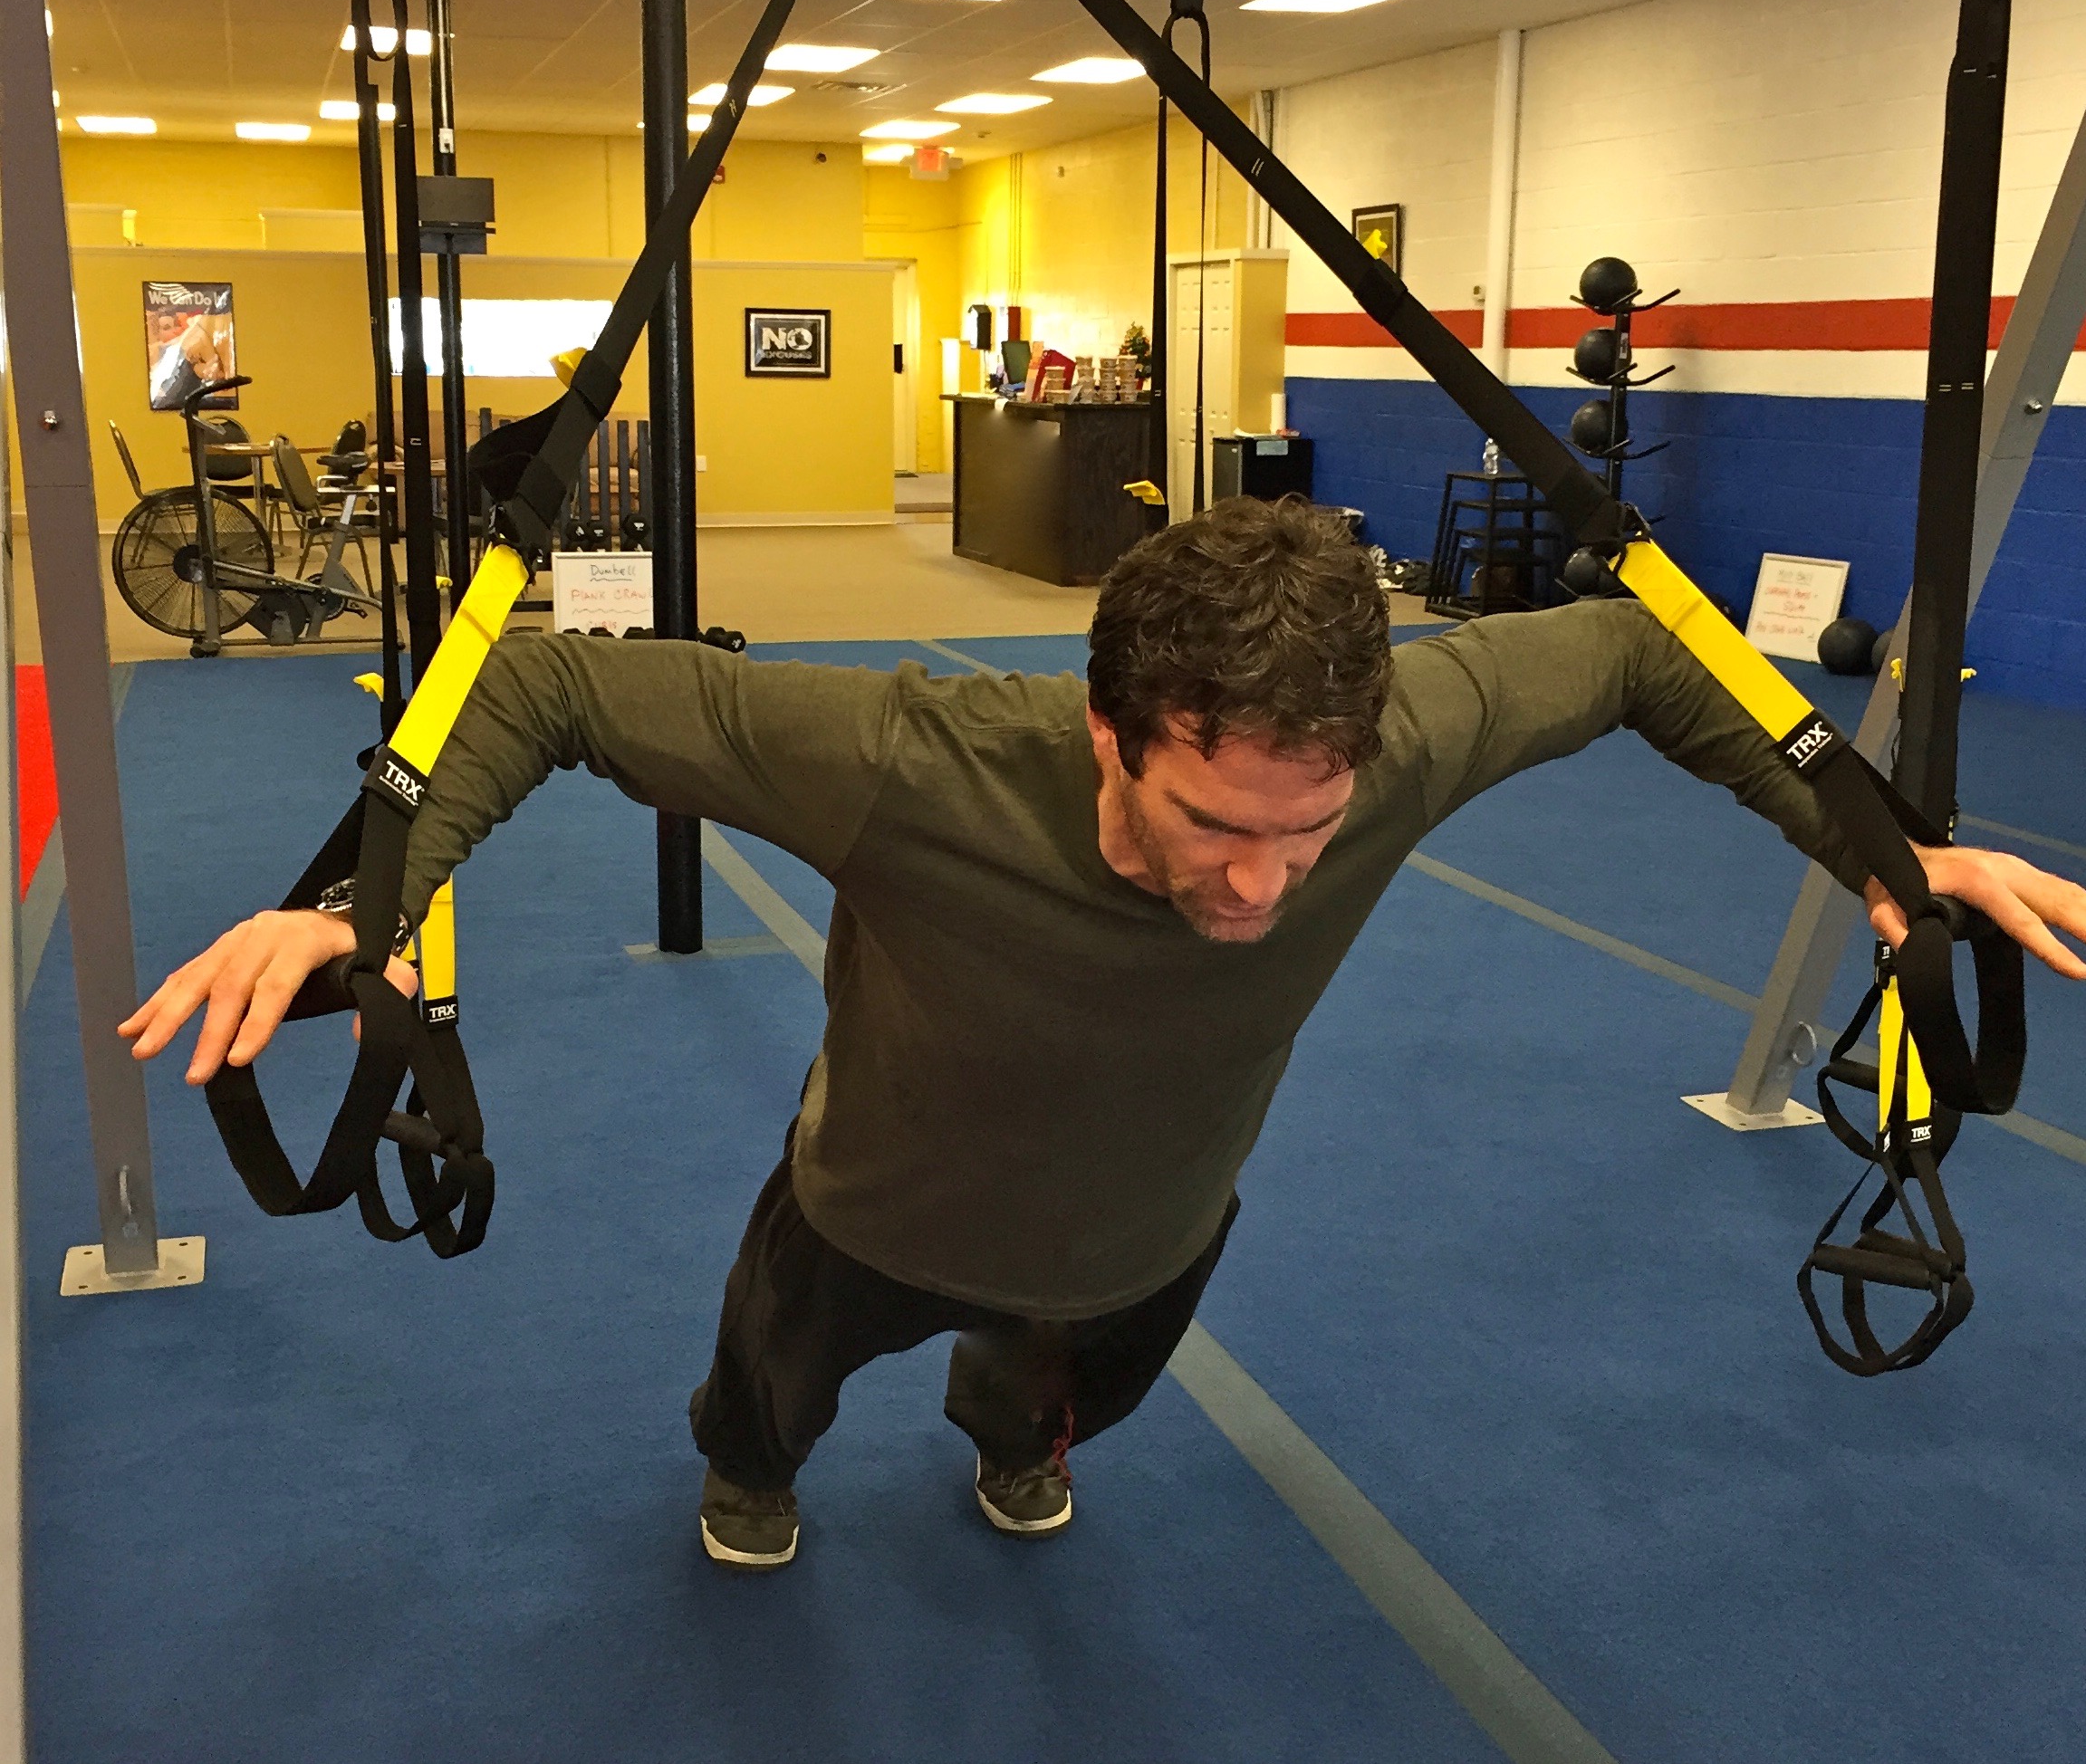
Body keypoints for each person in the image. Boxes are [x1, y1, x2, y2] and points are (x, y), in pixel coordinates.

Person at [121, 499, 2086, 1571]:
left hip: (1148, 1232)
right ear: (1104, 734)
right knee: (764, 1403)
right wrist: (358, 898)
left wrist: (1880, 843)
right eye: (1212, 825)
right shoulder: (905, 757)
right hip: (870, 1200)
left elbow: (1653, 645)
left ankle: (1013, 1435)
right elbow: (543, 685)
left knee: (1049, 1411)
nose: (1262, 882)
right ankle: (754, 1476)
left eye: (1305, 834)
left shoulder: (1405, 740)